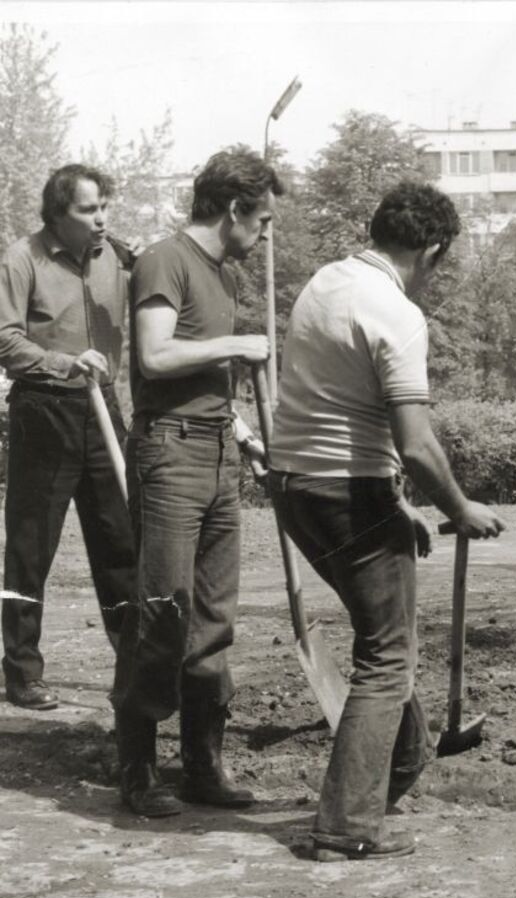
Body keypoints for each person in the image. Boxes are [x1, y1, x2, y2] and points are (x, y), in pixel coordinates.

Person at [267, 180, 504, 862]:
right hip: (347, 493)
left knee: (384, 635)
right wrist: (460, 508)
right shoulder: (397, 314)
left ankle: (394, 772)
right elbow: (417, 443)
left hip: (295, 490)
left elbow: (333, 408)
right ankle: (344, 827)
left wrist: (398, 506)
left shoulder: (323, 283)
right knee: (387, 656)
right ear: (431, 251)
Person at [112, 148, 283, 818]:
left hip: (217, 453)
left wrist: (244, 435)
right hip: (168, 455)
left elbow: (205, 383)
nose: (264, 234)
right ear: (233, 208)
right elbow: (155, 357)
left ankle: (203, 768)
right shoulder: (165, 259)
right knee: (162, 609)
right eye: (261, 220)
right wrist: (236, 346)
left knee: (213, 618)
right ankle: (137, 771)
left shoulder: (224, 276)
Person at [0, 164, 136, 711]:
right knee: (31, 549)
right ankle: (22, 672)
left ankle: (133, 666)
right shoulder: (21, 258)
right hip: (44, 410)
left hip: (106, 411)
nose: (101, 219)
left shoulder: (121, 259)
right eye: (87, 209)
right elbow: (4, 341)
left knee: (122, 542)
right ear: (58, 214)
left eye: (105, 207)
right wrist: (63, 362)